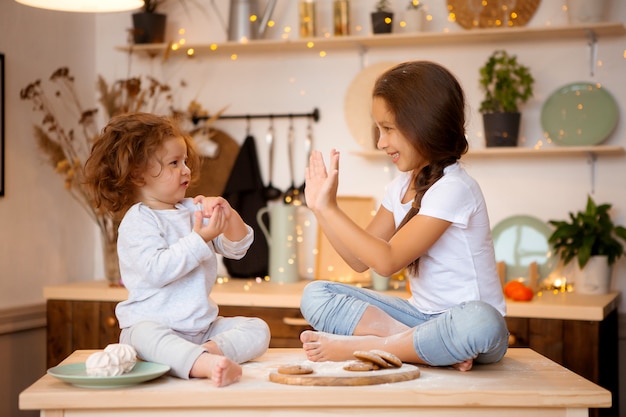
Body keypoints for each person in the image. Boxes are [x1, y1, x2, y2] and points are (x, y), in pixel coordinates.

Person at [300, 61, 508, 371]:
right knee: (315, 294)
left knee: (481, 320)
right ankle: (423, 346)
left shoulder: (455, 187)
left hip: (466, 323)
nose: (381, 142)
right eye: (378, 130)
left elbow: (387, 261)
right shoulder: (400, 187)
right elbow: (359, 261)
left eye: (388, 129)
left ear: (423, 124)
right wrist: (321, 208)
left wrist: (331, 210)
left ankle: (375, 347)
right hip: (419, 318)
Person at [83, 112, 270, 387]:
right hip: (155, 328)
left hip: (202, 330)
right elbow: (157, 271)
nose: (185, 170)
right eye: (174, 163)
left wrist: (229, 216)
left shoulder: (192, 209)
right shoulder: (139, 219)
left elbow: (238, 248)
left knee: (258, 329)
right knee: (143, 336)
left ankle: (206, 354)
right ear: (137, 174)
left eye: (184, 161)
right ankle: (203, 364)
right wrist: (199, 238)